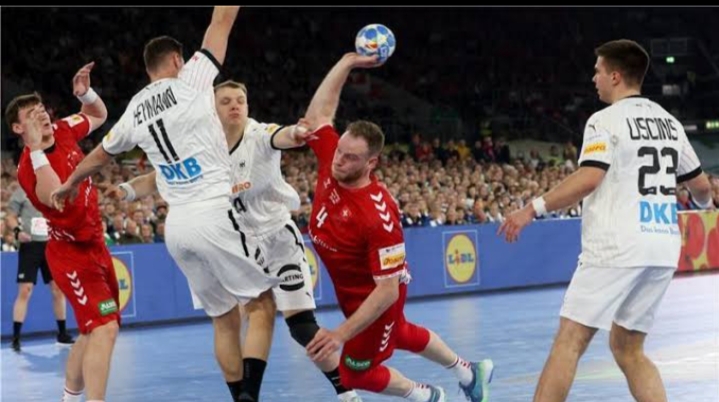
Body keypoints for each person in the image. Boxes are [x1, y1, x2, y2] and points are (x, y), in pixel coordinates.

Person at [51, 7, 278, 402]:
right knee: (261, 305)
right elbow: (221, 22)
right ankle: (249, 397)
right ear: (176, 60)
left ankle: (236, 395)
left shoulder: (134, 109)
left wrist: (70, 182)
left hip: (178, 230)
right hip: (214, 212)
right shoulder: (191, 79)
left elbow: (100, 155)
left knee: (223, 319)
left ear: (147, 68)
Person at [107, 80, 362, 401]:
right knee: (230, 321)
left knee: (301, 328)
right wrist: (126, 191)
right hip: (235, 244)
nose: (235, 106)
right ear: (212, 109)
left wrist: (297, 133)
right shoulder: (198, 145)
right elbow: (158, 177)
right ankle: (245, 395)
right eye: (226, 101)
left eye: (240, 99)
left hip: (277, 240)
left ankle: (346, 391)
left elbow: (282, 135)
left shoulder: (258, 134)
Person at [498, 39, 714, 402]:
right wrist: (702, 202)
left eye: (597, 71)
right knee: (628, 347)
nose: (593, 78)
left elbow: (589, 177)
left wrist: (531, 208)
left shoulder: (604, 120)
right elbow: (702, 187)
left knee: (570, 340)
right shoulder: (670, 123)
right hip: (662, 246)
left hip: (617, 244)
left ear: (615, 76)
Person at [286, 52, 495, 402]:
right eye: (339, 151)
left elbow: (387, 292)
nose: (338, 160)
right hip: (353, 296)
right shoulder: (335, 158)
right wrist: (346, 63)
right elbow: (318, 117)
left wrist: (339, 335)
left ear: (372, 162)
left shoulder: (377, 216)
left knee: (355, 372)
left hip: (375, 302)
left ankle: (425, 395)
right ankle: (470, 373)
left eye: (350, 158)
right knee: (402, 333)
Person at [6, 62, 116, 402]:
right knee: (105, 327)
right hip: (71, 256)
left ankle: (69, 399)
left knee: (93, 330)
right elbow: (56, 195)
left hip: (96, 246)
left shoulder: (63, 128)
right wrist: (37, 148)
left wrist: (86, 94)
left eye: (41, 109)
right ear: (18, 128)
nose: (41, 115)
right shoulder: (28, 169)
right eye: (31, 115)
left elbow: (98, 115)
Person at [7, 185, 74, 352]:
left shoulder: (53, 189)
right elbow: (10, 217)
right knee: (25, 290)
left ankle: (62, 334)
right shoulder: (21, 192)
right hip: (30, 245)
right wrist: (17, 232)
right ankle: (16, 338)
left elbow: (64, 212)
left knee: (58, 289)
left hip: (52, 244)